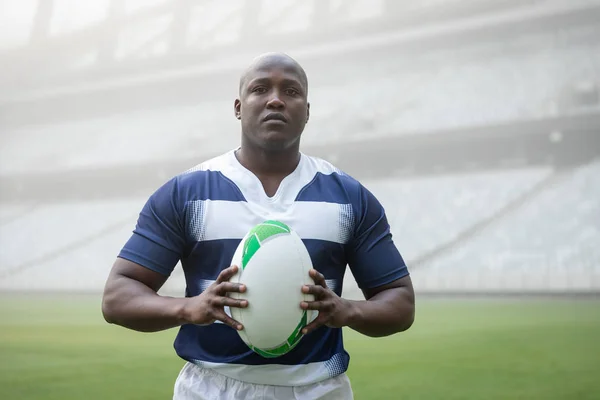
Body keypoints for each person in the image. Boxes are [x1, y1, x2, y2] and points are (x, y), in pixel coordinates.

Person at [101, 52, 415, 400]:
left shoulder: (348, 198)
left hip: (318, 389)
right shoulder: (186, 194)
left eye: (291, 91)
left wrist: (350, 310)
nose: (276, 99)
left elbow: (400, 303)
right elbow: (118, 297)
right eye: (260, 89)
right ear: (238, 106)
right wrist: (188, 308)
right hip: (210, 388)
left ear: (307, 111)